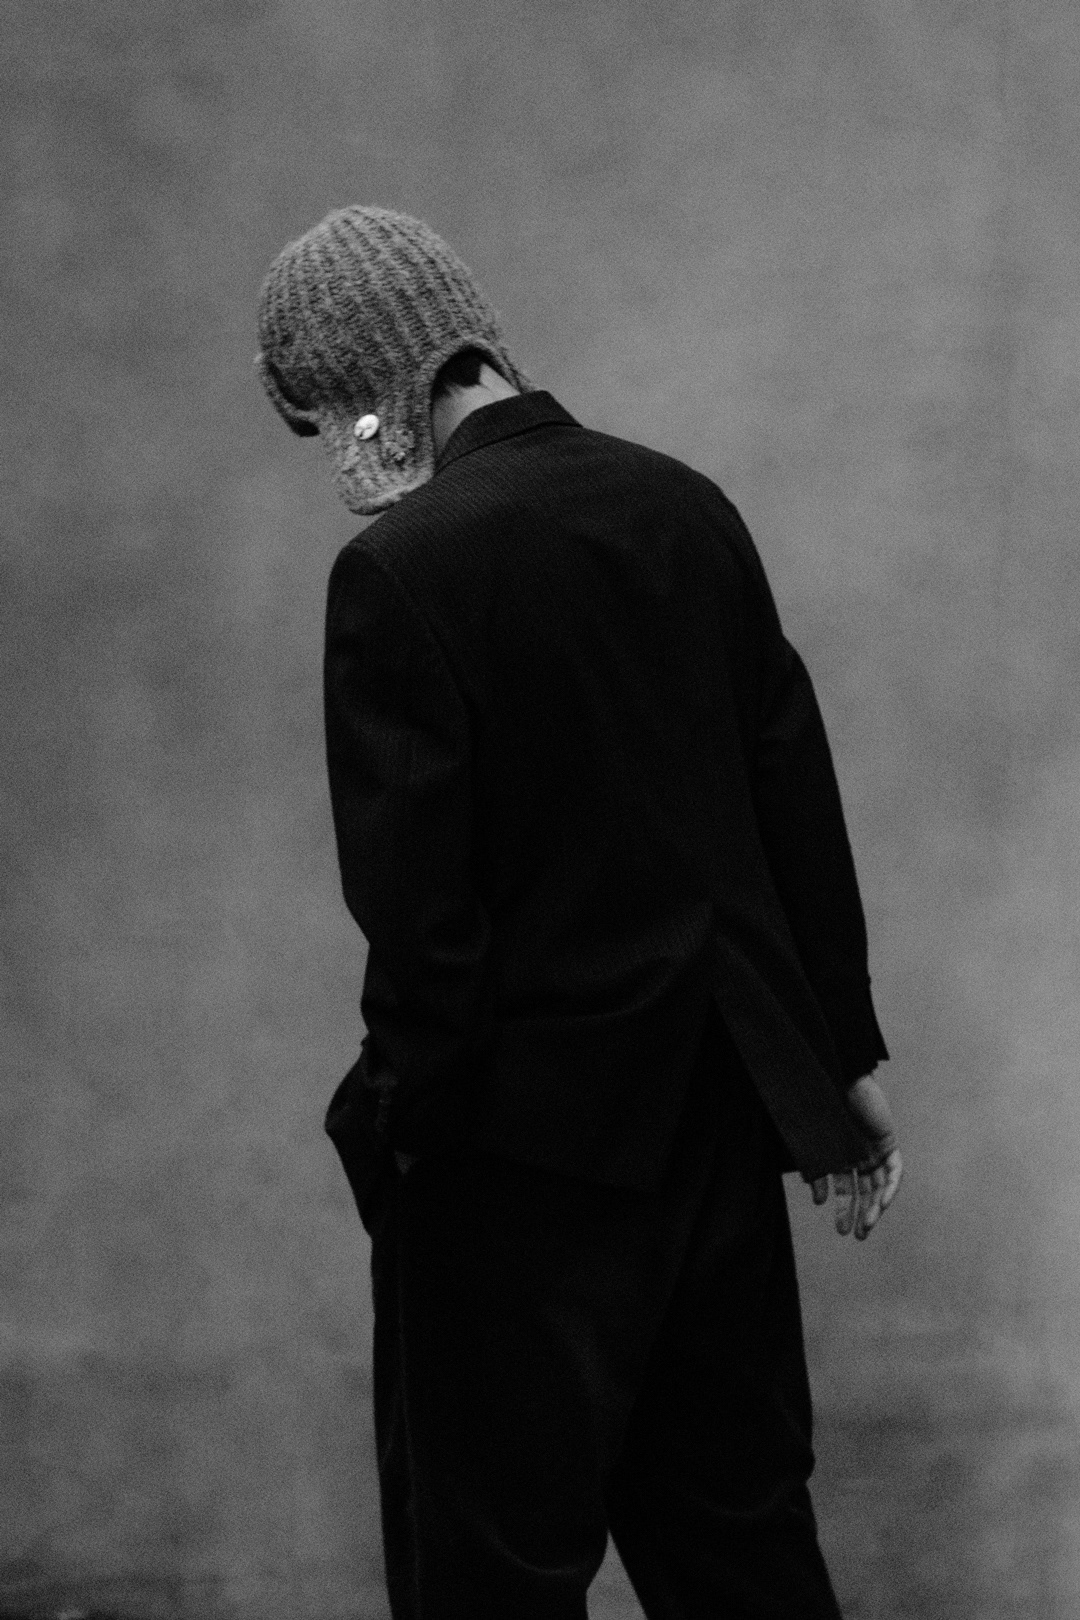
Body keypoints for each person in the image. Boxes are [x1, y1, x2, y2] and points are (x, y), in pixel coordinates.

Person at [255, 205, 903, 1620]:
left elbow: (421, 925)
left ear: (368, 386)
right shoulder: (684, 506)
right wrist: (836, 1061)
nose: (336, 457)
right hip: (717, 1126)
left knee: (490, 1579)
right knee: (743, 1558)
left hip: (514, 1160)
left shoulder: (402, 571)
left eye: (322, 422)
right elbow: (793, 800)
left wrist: (404, 1135)